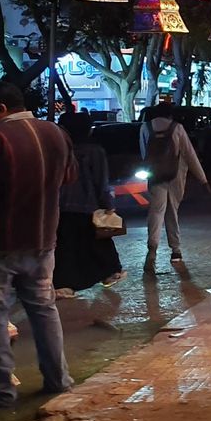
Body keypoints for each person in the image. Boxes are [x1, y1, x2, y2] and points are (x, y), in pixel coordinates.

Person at [0, 81, 75, 407]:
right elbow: (67, 179)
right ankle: (58, 380)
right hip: (44, 238)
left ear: (1, 109)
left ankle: (1, 391)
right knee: (44, 309)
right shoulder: (56, 133)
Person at [53, 113, 124, 296]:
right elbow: (101, 181)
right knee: (96, 242)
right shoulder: (94, 151)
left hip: (59, 206)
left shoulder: (57, 149)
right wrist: (108, 204)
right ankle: (108, 274)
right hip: (86, 205)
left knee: (66, 247)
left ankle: (64, 285)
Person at [139, 102, 210, 273]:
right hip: (176, 176)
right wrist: (203, 180)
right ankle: (175, 250)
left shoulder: (145, 128)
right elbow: (189, 154)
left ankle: (152, 248)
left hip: (154, 176)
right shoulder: (177, 128)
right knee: (172, 212)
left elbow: (143, 153)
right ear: (170, 114)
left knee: (156, 211)